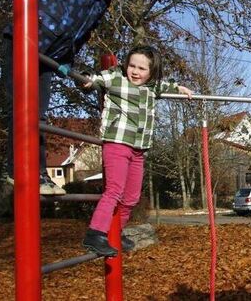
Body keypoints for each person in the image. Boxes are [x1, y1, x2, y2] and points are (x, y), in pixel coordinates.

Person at [1, 0, 135, 195]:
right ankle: (14, 169)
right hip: (23, 43)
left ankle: (38, 174)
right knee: (20, 109)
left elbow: (81, 33)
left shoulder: (101, 1)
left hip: (48, 58)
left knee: (38, 115)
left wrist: (67, 63)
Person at [82, 46, 193, 256]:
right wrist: (87, 80)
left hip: (139, 149)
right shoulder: (116, 77)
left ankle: (117, 231)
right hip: (117, 142)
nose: (135, 71)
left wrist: (180, 88)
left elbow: (165, 86)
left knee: (132, 197)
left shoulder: (151, 88)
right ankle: (95, 233)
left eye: (142, 68)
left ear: (150, 72)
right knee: (114, 190)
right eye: (132, 65)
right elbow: (96, 79)